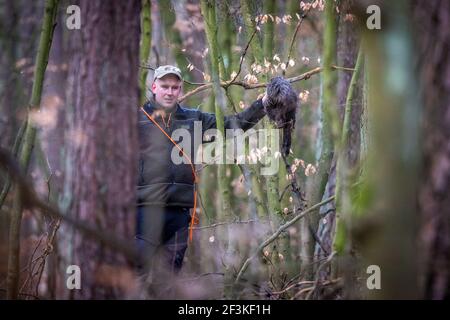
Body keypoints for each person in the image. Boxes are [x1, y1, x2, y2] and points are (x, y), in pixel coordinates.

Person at [136, 65, 268, 277]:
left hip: (179, 216)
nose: (169, 92)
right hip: (143, 211)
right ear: (154, 87)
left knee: (169, 282)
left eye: (175, 87)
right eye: (164, 86)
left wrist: (263, 104)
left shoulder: (194, 118)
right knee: (137, 277)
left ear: (180, 90)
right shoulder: (134, 120)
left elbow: (232, 126)